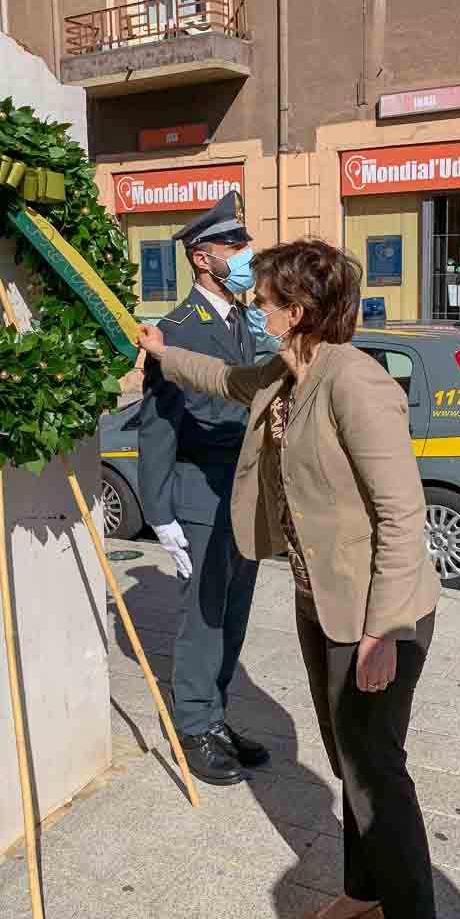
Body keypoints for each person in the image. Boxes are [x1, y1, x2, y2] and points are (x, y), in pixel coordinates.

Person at [139, 238, 441, 919]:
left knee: (376, 772)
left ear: (297, 311)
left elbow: (402, 515)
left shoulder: (354, 383)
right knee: (350, 762)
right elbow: (222, 378)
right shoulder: (286, 372)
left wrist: (383, 633)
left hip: (375, 615)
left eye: (267, 298)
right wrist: (159, 351)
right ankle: (365, 896)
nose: (256, 304)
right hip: (321, 600)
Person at [138, 190, 269, 785]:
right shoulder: (176, 330)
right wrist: (160, 512)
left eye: (244, 242)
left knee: (235, 610)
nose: (245, 254)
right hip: (200, 494)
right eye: (233, 245)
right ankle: (193, 725)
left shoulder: (242, 317)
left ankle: (216, 715)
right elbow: (158, 424)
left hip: (244, 490)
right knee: (204, 616)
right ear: (202, 257)